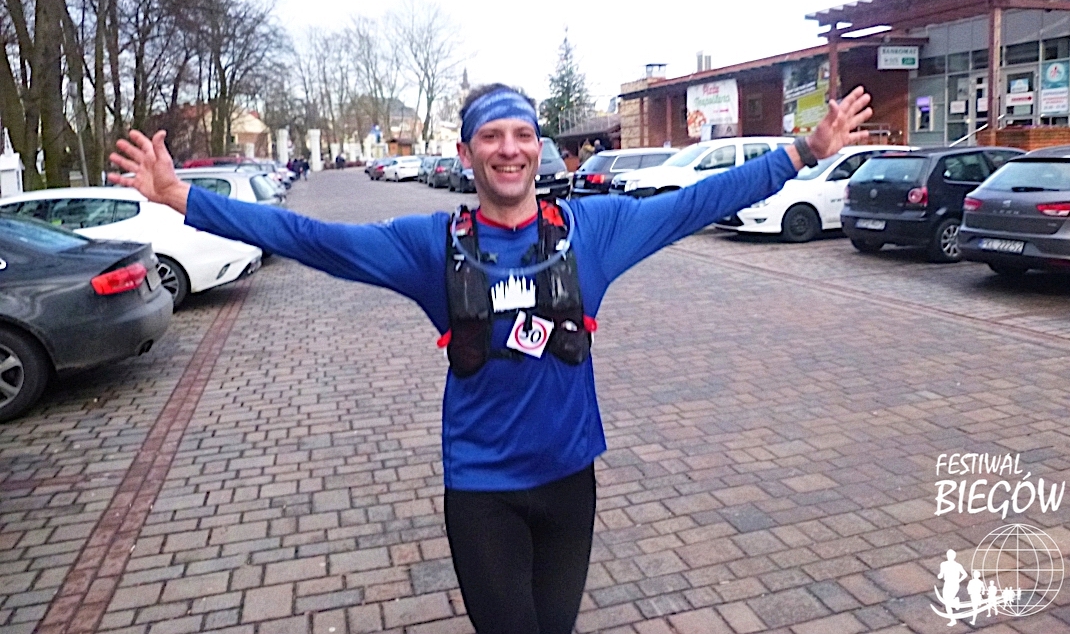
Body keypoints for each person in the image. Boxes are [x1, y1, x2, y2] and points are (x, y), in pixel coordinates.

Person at [108, 82, 872, 634]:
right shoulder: (427, 247)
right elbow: (310, 237)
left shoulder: (593, 230)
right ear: (466, 152)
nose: (509, 149)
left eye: (522, 135)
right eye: (491, 136)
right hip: (482, 492)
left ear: (538, 147)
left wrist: (803, 151)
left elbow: (697, 201)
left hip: (570, 482)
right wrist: (184, 197)